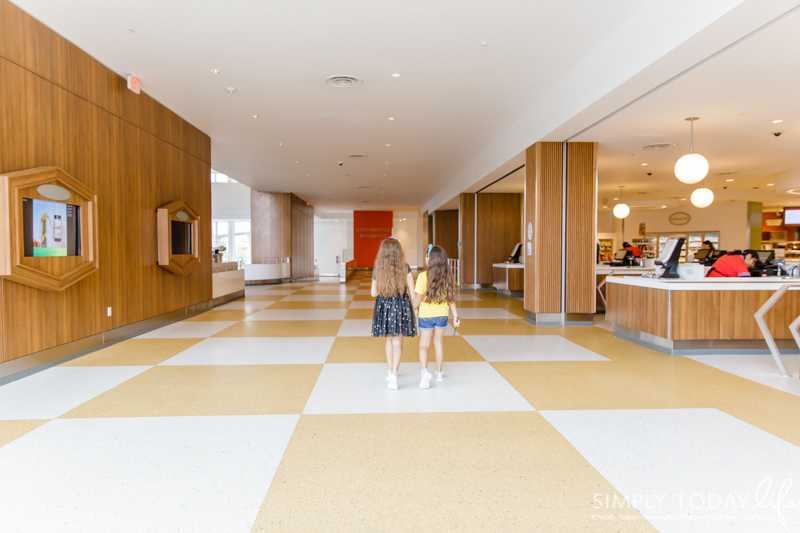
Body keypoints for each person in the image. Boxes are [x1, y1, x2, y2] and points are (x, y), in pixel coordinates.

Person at [371, 237, 417, 390]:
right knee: (398, 342)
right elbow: (413, 293)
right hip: (401, 306)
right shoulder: (406, 268)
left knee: (389, 341)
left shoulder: (378, 269)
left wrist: (383, 284)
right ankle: (394, 373)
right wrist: (415, 312)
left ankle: (391, 371)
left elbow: (373, 293)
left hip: (384, 307)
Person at [412, 245, 460, 389]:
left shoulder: (422, 277)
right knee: (438, 343)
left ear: (430, 260)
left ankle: (424, 372)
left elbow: (417, 299)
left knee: (423, 345)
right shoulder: (447, 277)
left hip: (426, 316)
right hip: (442, 316)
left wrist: (408, 309)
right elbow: (451, 299)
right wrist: (456, 316)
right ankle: (439, 374)